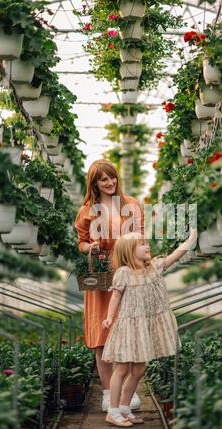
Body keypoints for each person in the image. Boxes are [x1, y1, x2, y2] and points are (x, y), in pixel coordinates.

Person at [101, 228, 198, 427]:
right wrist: (109, 317)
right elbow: (116, 296)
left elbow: (175, 256)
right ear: (129, 251)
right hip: (129, 326)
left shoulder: (154, 267)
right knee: (120, 369)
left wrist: (190, 241)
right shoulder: (123, 273)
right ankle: (112, 411)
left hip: (143, 328)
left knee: (139, 370)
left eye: (146, 243)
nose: (147, 246)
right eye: (142, 244)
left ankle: (124, 408)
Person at [74, 159, 145, 412]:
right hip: (102, 277)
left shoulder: (133, 206)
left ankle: (126, 392)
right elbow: (81, 242)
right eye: (103, 179)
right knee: (103, 336)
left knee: (129, 331)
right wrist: (89, 247)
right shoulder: (87, 211)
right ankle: (107, 393)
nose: (109, 182)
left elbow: (142, 239)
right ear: (94, 183)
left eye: (112, 177)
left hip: (127, 275)